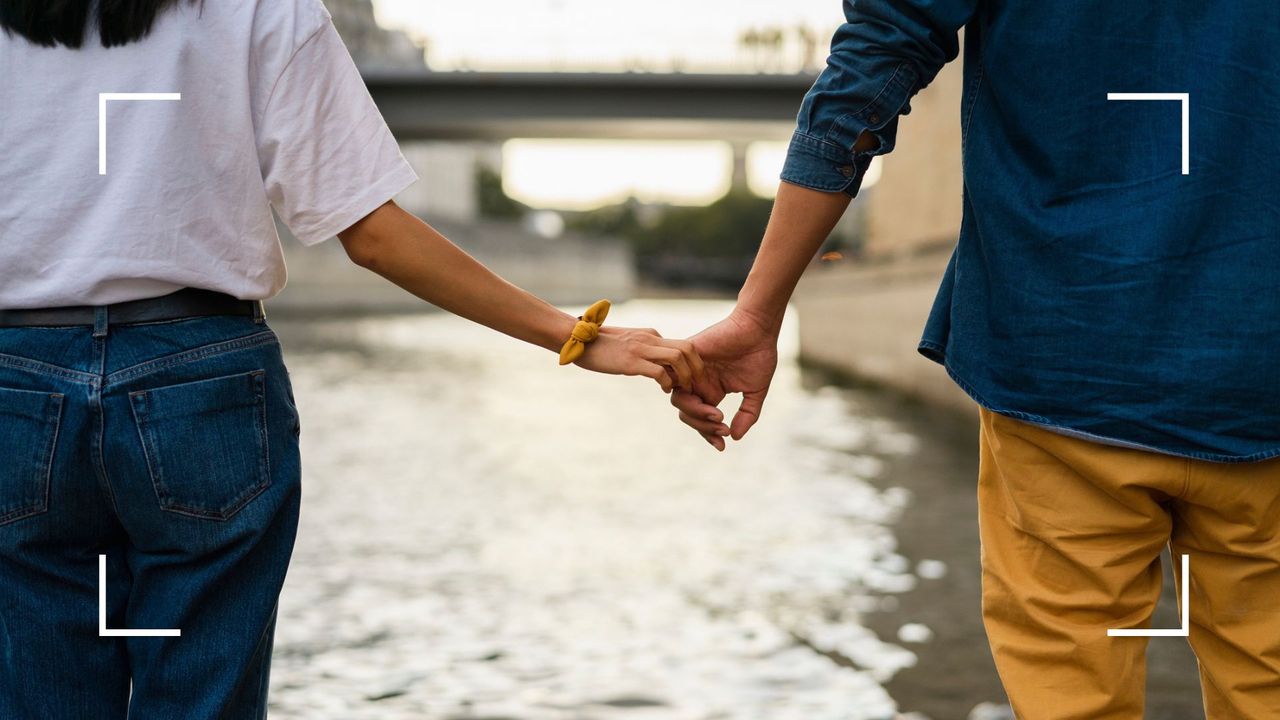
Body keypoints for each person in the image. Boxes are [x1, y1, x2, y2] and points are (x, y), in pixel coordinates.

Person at [0, 1, 701, 717]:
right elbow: (371, 234)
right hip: (200, 378)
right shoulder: (261, 9)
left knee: (39, 685)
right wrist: (571, 335)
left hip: (15, 383)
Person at [672, 1, 1280, 718]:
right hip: (1257, 350)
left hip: (1063, 352)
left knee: (1071, 697)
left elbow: (875, 61)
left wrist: (758, 311)